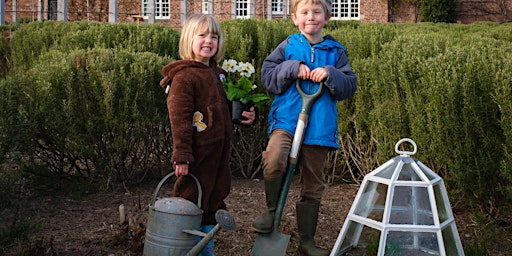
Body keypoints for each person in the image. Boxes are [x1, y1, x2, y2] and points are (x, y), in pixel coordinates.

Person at [251, 0, 357, 255]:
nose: (311, 17)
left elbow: (349, 85)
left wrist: (330, 73)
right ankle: (271, 211)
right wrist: (292, 68)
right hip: (287, 120)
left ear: (327, 17)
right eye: (305, 13)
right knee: (274, 158)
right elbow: (268, 78)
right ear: (295, 19)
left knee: (313, 184)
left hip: (319, 126)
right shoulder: (288, 46)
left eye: (317, 12)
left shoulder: (336, 51)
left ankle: (307, 242)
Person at [159, 14, 256, 256]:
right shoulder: (184, 77)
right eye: (201, 35)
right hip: (197, 155)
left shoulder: (220, 74)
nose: (208, 41)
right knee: (191, 200)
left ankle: (205, 249)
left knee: (214, 201)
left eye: (214, 36)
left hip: (218, 155)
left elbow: (229, 107)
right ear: (188, 40)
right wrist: (182, 155)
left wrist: (249, 115)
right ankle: (182, 247)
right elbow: (179, 119)